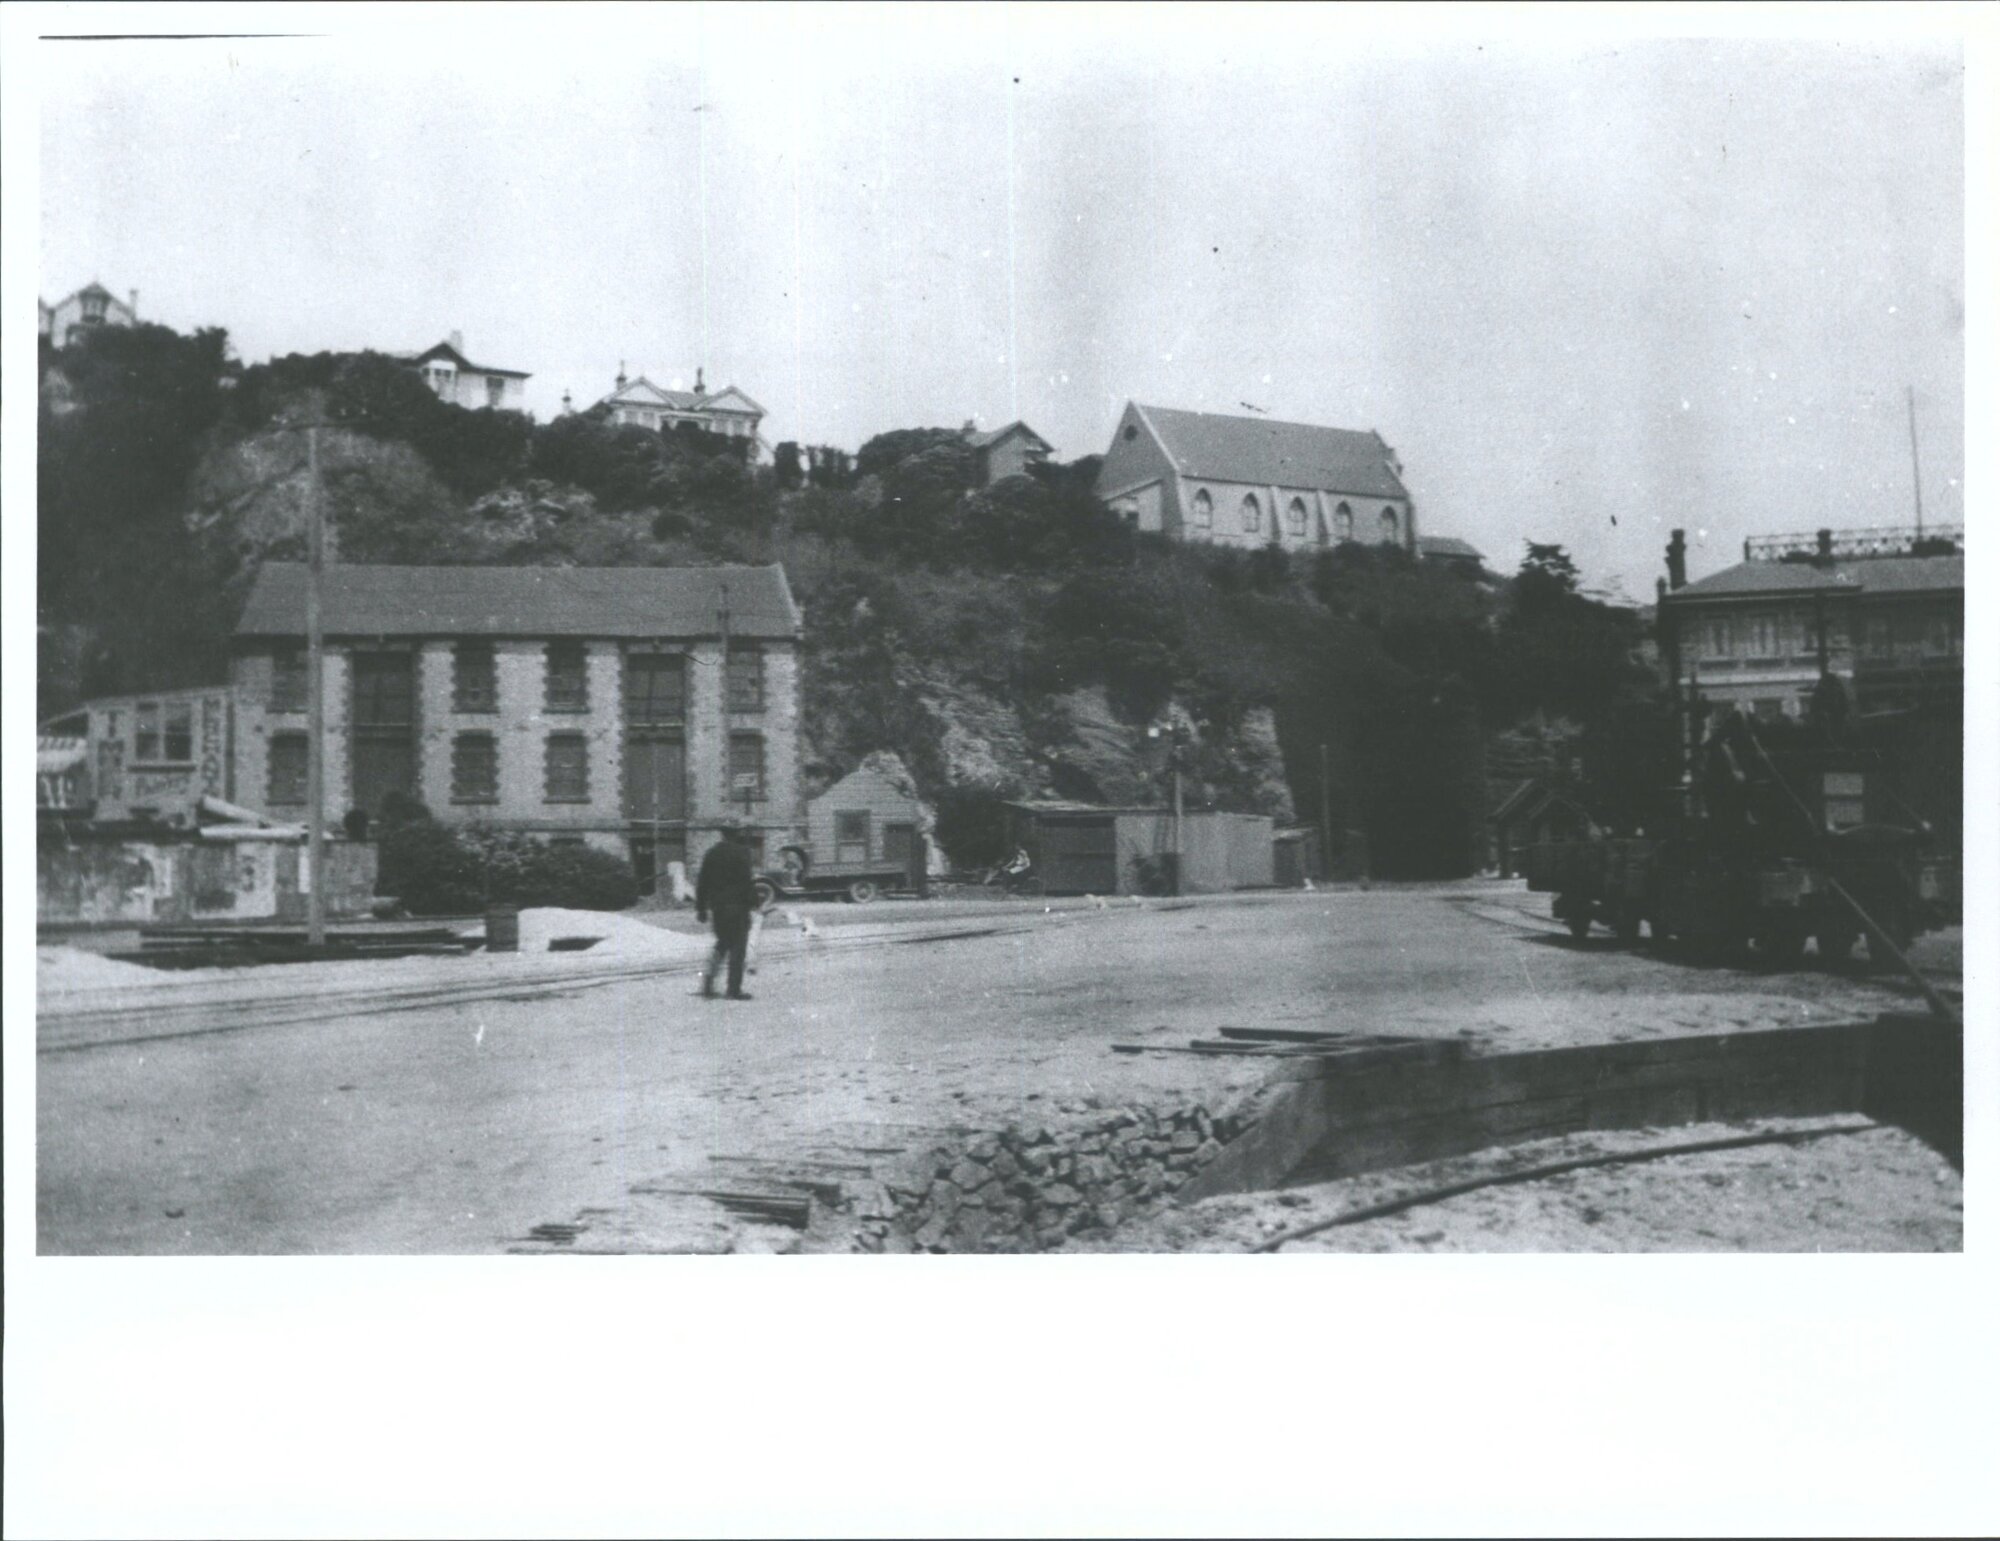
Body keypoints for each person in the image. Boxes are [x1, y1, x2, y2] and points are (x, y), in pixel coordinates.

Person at [695, 821, 758, 1000]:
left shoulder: (712, 854)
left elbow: (702, 882)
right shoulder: (742, 853)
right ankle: (733, 989)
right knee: (738, 949)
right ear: (736, 834)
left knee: (722, 944)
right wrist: (755, 902)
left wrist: (701, 909)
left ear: (722, 834)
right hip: (738, 907)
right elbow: (747, 881)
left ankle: (708, 983)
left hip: (718, 908)